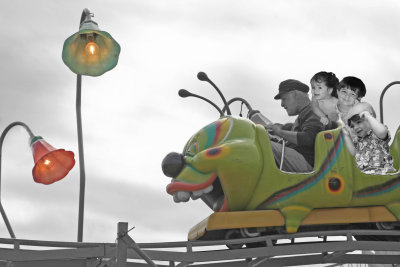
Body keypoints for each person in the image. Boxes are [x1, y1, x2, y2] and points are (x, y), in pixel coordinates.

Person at [252, 79, 324, 172]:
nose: (282, 104)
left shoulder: (315, 112)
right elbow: (288, 129)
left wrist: (279, 132)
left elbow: (309, 138)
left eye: (284, 99)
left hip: (307, 165)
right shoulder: (303, 116)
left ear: (296, 95)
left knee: (261, 144)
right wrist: (272, 133)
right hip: (299, 160)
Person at [342, 102, 396, 175]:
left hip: (381, 172)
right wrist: (346, 136)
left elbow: (383, 132)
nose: (355, 127)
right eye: (352, 126)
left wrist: (369, 117)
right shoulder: (359, 139)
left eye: (358, 122)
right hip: (364, 175)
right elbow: (353, 153)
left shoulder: (376, 133)